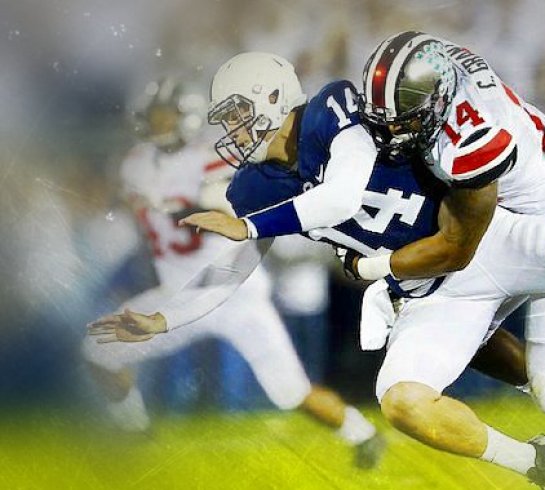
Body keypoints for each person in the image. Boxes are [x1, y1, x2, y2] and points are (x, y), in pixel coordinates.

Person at [93, 52, 545, 489]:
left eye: (234, 113)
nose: (227, 132)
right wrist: (162, 318)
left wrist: (259, 224)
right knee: (404, 400)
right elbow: (227, 274)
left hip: (485, 235)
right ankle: (539, 465)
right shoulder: (250, 189)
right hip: (431, 285)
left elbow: (344, 195)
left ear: (271, 100)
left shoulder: (333, 110)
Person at [83, 77, 385, 469]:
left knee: (289, 391)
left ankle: (363, 434)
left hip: (232, 291)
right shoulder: (135, 165)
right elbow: (141, 224)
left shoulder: (211, 158)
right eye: (152, 117)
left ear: (185, 117)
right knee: (99, 349)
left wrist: (204, 199)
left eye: (165, 116)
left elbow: (241, 200)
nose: (157, 125)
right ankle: (134, 430)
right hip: (180, 293)